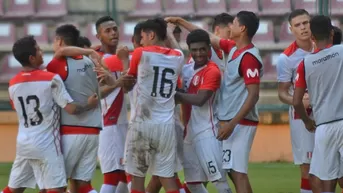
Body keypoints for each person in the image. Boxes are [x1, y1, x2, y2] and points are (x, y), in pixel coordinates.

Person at [2, 36, 98, 193]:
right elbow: (71, 109)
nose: (42, 52)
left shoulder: (13, 83)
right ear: (32, 58)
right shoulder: (51, 79)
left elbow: (17, 107)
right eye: (38, 50)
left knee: (14, 189)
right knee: (57, 188)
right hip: (46, 145)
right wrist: (89, 104)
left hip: (24, 144)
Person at [123, 18, 184, 193]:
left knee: (137, 177)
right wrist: (170, 33)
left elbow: (128, 83)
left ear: (151, 35)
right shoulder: (178, 57)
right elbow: (177, 50)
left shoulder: (140, 53)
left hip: (143, 123)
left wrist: (124, 63)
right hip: (166, 126)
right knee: (167, 176)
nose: (141, 41)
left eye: (143, 36)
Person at [46, 24, 102, 193]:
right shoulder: (90, 62)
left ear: (59, 41)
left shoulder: (58, 63)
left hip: (71, 131)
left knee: (55, 185)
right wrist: (91, 52)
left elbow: (61, 53)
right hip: (93, 131)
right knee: (82, 185)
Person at [175, 29, 232, 193]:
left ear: (209, 48)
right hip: (189, 134)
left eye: (202, 49)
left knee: (219, 182)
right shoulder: (187, 69)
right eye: (194, 50)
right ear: (189, 50)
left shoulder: (212, 71)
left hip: (207, 132)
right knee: (193, 183)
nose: (198, 53)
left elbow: (200, 100)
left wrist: (177, 95)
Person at [293, 15, 343, 193]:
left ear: (312, 37)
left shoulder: (305, 63)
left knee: (325, 178)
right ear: (331, 33)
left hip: (324, 126)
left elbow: (296, 101)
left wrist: (307, 121)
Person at [276, 9, 314, 193]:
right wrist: (298, 101)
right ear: (291, 29)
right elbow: (282, 93)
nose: (303, 28)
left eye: (305, 23)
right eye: (298, 25)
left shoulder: (326, 47)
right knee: (307, 169)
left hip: (330, 113)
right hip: (302, 117)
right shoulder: (286, 58)